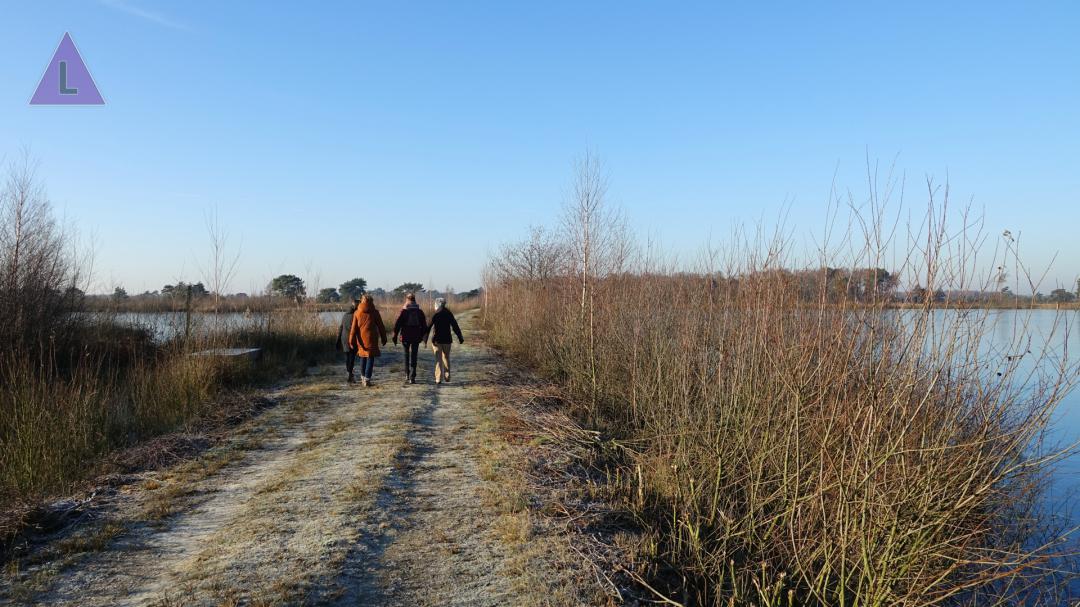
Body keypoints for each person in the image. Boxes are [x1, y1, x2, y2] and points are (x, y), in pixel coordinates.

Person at [348, 294, 387, 386]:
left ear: (362, 301)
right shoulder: (375, 312)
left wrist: (351, 340)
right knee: (370, 358)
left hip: (361, 338)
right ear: (371, 301)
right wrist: (384, 338)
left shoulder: (357, 313)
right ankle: (367, 379)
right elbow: (381, 326)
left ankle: (362, 377)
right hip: (372, 339)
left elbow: (353, 329)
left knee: (362, 357)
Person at [426, 297, 463, 384]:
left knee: (438, 359)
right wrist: (460, 337)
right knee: (446, 357)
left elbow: (428, 327)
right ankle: (447, 376)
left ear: (437, 304)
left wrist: (424, 339)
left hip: (436, 340)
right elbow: (455, 326)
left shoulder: (435, 314)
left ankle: (438, 379)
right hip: (447, 340)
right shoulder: (449, 313)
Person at [393, 293, 427, 384]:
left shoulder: (404, 311)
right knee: (414, 355)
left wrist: (395, 335)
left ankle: (407, 374)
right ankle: (413, 376)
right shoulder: (419, 312)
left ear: (407, 300)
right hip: (416, 336)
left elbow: (397, 324)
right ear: (414, 300)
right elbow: (424, 326)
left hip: (405, 336)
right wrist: (422, 336)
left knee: (406, 355)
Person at [335, 296, 361, 383]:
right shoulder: (356, 316)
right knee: (352, 358)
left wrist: (338, 340)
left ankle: (349, 373)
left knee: (347, 357)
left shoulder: (345, 315)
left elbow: (341, 328)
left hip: (343, 338)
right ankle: (350, 375)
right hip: (352, 339)